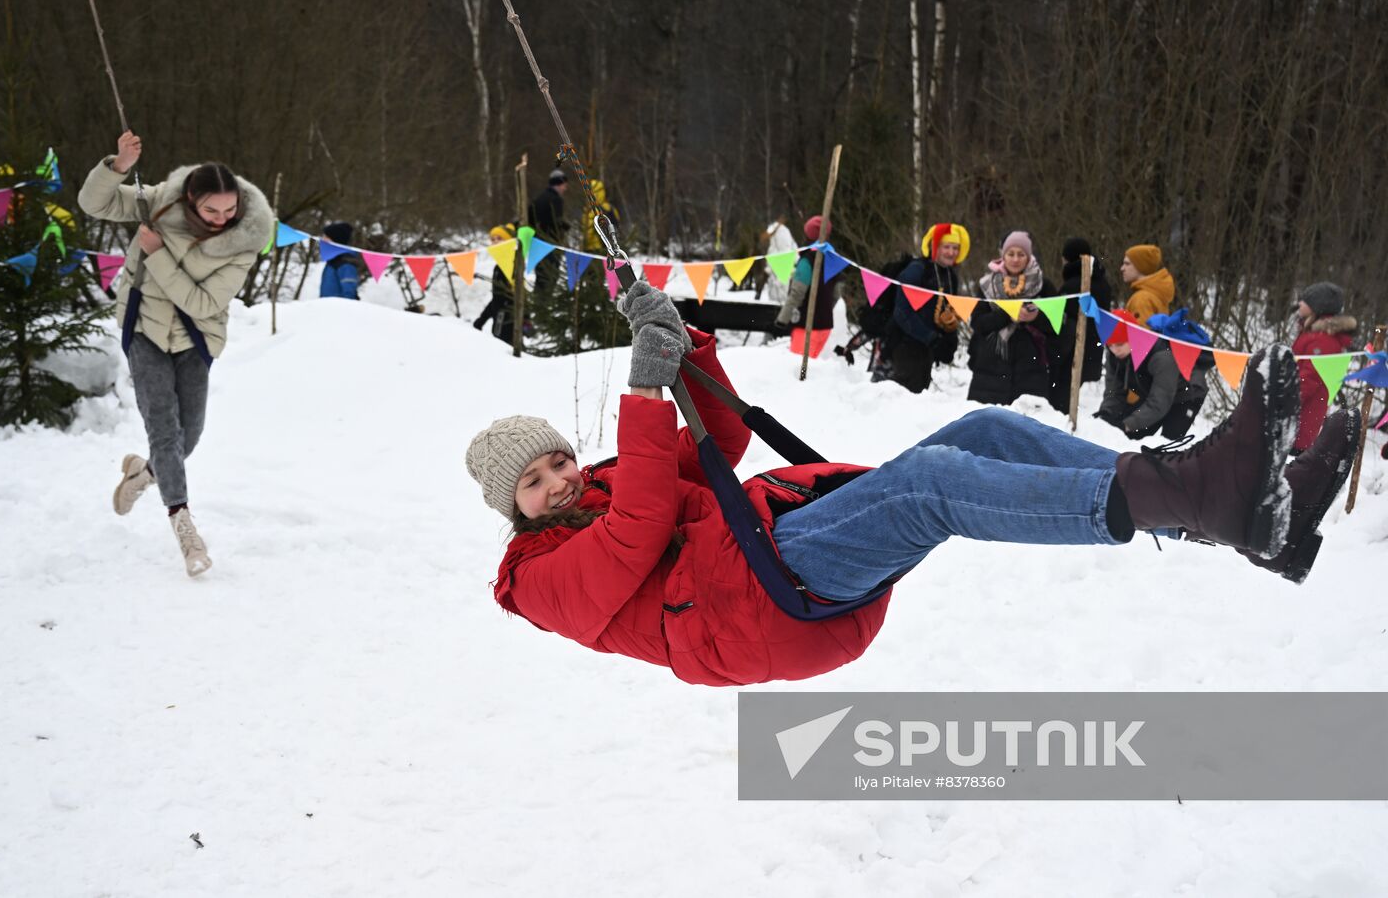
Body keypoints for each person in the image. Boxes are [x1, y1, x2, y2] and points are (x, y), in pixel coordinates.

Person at [465, 279, 1349, 687]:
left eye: (557, 463)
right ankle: (1203, 492)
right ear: (515, 510)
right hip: (757, 601)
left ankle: (1233, 510)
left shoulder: (615, 477)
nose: (557, 482)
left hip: (770, 549)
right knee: (932, 484)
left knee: (986, 430)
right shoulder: (539, 582)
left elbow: (722, 437)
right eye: (535, 485)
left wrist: (682, 347)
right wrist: (644, 391)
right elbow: (641, 532)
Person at [80, 130, 274, 577]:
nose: (222, 218)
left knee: (192, 435)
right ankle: (184, 525)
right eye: (211, 209)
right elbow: (97, 204)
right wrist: (118, 167)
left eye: (230, 210)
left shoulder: (244, 241)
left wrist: (156, 254)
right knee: (165, 431)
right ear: (190, 199)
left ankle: (141, 473)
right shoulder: (159, 203)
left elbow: (203, 303)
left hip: (195, 339)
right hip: (144, 330)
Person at [967, 230, 1057, 405]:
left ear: (1029, 257)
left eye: (1021, 254)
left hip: (1031, 370)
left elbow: (1058, 325)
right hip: (990, 370)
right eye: (1011, 254)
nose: (1015, 259)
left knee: (1026, 425)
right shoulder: (987, 284)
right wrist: (1008, 314)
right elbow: (978, 323)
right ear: (1003, 256)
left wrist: (1035, 319)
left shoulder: (1044, 286)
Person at [875, 222, 968, 392]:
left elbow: (949, 312)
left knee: (921, 393)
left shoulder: (950, 275)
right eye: (946, 247)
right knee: (902, 396)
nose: (951, 252)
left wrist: (949, 338)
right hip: (904, 345)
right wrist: (932, 339)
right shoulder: (916, 271)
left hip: (926, 349)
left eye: (955, 248)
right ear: (934, 246)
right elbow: (902, 313)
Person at [1095, 308, 1212, 440]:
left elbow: (1159, 403)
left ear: (1133, 337)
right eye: (1110, 345)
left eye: (1120, 344)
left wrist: (1127, 425)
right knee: (1131, 433)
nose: (1115, 350)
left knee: (1167, 444)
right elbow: (1114, 391)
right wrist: (1106, 414)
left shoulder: (1162, 357)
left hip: (1186, 394)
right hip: (1153, 391)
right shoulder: (1114, 355)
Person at [1046, 237, 1113, 412]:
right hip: (1091, 350)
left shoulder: (1073, 286)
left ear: (1067, 258)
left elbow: (1059, 319)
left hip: (1072, 351)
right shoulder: (1102, 282)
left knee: (1060, 399)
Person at [1291, 282, 1357, 454]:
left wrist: (1282, 401)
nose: (1300, 303)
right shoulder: (1313, 333)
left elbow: (1308, 380)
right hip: (1294, 418)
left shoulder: (1323, 341)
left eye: (1305, 301)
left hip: (1299, 422)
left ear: (1317, 307)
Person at [774, 215, 838, 357]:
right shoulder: (833, 259)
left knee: (799, 371)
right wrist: (824, 309)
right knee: (808, 370)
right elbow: (837, 293)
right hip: (825, 327)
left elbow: (797, 293)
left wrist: (782, 320)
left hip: (807, 326)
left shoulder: (807, 261)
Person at [472, 222, 518, 345]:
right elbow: (497, 297)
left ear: (509, 241)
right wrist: (482, 319)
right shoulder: (499, 266)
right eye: (493, 239)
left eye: (499, 238)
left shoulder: (514, 263)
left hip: (509, 320)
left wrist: (526, 320)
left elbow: (519, 293)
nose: (495, 242)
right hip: (499, 317)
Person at [528, 169, 569, 300]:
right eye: (564, 185)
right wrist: (565, 227)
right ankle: (544, 307)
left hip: (536, 245)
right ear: (559, 183)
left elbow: (530, 220)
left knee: (540, 279)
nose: (565, 188)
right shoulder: (556, 200)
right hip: (550, 246)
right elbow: (556, 223)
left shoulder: (538, 199)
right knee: (550, 278)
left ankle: (538, 307)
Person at [1119, 244, 1176, 326]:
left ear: (1141, 266)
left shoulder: (1142, 298)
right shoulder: (1156, 292)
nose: (1122, 268)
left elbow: (1141, 335)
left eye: (1127, 264)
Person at [317, 222, 361, 300]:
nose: (322, 239)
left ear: (336, 240)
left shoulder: (345, 263)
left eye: (326, 237)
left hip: (338, 310)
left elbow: (349, 294)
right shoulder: (332, 261)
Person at [580, 178, 619, 255]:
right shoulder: (610, 208)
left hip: (595, 248)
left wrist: (583, 244)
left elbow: (587, 230)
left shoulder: (591, 210)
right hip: (607, 246)